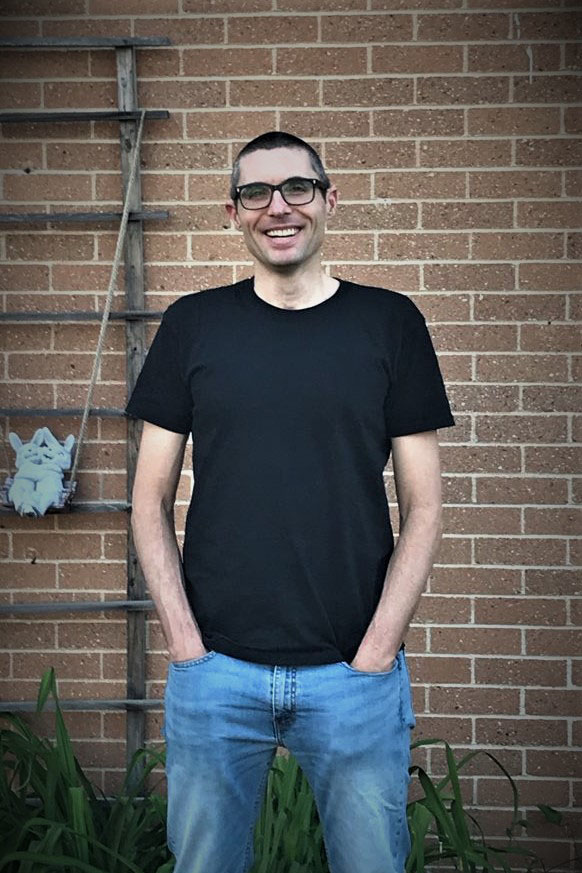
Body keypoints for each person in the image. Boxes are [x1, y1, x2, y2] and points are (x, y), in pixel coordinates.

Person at [126, 131, 455, 873]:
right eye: (256, 192)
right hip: (216, 674)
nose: (278, 207)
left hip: (352, 677)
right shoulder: (192, 325)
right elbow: (147, 501)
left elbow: (425, 507)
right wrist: (186, 647)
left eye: (297, 188)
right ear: (233, 212)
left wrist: (376, 654)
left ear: (330, 199)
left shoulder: (390, 323)